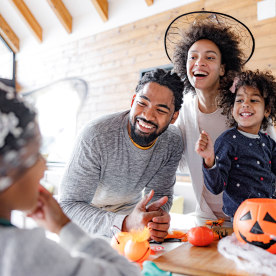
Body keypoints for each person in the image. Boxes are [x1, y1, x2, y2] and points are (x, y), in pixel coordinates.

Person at [0, 83, 141, 276]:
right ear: (7, 169)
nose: (44, 166)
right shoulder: (22, 254)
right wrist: (65, 227)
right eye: (35, 154)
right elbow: (126, 273)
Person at [168, 13, 276, 220]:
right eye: (193, 57)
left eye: (210, 57)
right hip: (206, 217)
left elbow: (270, 158)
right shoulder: (185, 113)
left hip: (255, 216)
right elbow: (177, 162)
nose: (199, 63)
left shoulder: (246, 108)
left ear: (223, 68)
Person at [59, 69, 184, 242]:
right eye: (142, 103)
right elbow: (68, 206)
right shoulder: (95, 135)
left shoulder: (173, 141)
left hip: (129, 227)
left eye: (161, 110)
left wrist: (154, 221)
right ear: (133, 101)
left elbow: (160, 195)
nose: (147, 115)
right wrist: (124, 223)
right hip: (85, 225)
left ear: (174, 117)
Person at [195, 69, 276, 218]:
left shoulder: (268, 142)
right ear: (232, 110)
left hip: (269, 213)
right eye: (239, 100)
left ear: (267, 110)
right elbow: (216, 187)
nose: (245, 104)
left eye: (253, 100)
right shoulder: (227, 141)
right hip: (242, 217)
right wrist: (209, 160)